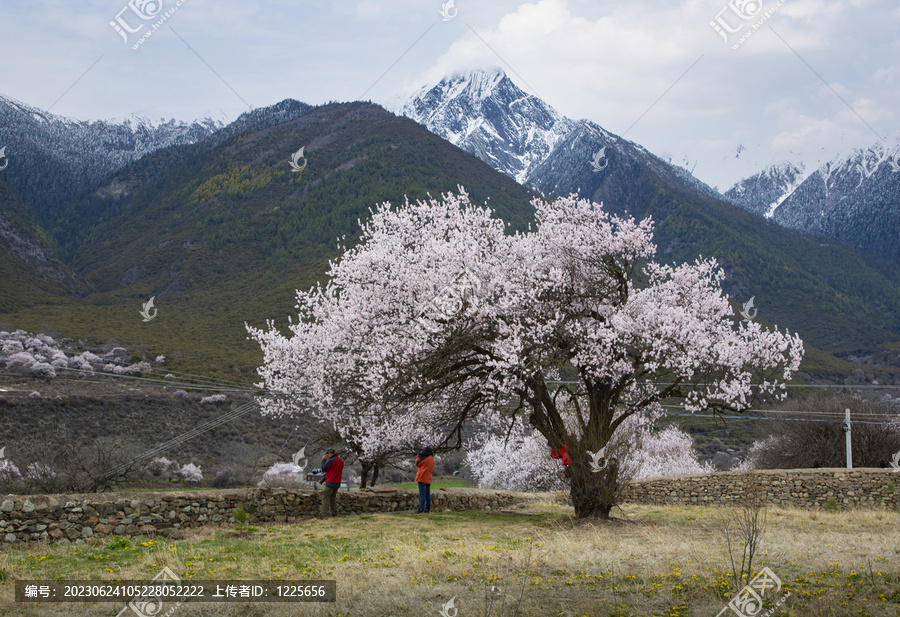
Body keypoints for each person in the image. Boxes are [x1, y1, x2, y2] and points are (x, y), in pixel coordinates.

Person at [317, 449, 343, 518]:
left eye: (327, 454)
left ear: (330, 454)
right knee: (332, 498)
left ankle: (323, 514)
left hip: (330, 481)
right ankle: (335, 513)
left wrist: (323, 460)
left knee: (325, 497)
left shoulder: (332, 460)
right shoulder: (340, 461)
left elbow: (323, 468)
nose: (327, 456)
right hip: (337, 482)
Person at [415, 446, 435, 513]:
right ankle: (427, 509)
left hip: (422, 478)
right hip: (428, 479)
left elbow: (417, 463)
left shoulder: (425, 459)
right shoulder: (432, 459)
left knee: (422, 495)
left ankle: (421, 509)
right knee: (427, 495)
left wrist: (418, 456)